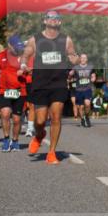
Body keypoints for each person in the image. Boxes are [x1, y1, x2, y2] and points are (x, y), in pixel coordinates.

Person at [21, 11, 78, 164]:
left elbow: (72, 55)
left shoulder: (66, 40)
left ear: (59, 22)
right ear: (45, 21)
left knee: (56, 117)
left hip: (59, 83)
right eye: (50, 18)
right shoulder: (35, 39)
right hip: (40, 83)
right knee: (40, 121)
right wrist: (23, 65)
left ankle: (52, 152)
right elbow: (25, 55)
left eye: (56, 18)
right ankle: (39, 135)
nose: (53, 20)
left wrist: (75, 58)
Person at [0, 35, 31, 152]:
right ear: (9, 45)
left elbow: (31, 69)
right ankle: (6, 139)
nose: (17, 48)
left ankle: (15, 141)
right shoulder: (0, 56)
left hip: (20, 91)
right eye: (15, 46)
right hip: (4, 90)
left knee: (16, 119)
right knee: (5, 114)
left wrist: (24, 70)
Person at [69, 53, 96, 127]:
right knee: (80, 107)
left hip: (87, 89)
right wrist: (70, 75)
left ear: (87, 59)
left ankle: (87, 116)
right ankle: (82, 119)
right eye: (82, 58)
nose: (83, 59)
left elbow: (93, 75)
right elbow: (70, 76)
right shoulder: (76, 68)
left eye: (85, 58)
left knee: (87, 104)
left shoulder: (90, 67)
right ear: (80, 59)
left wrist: (93, 79)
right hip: (78, 90)